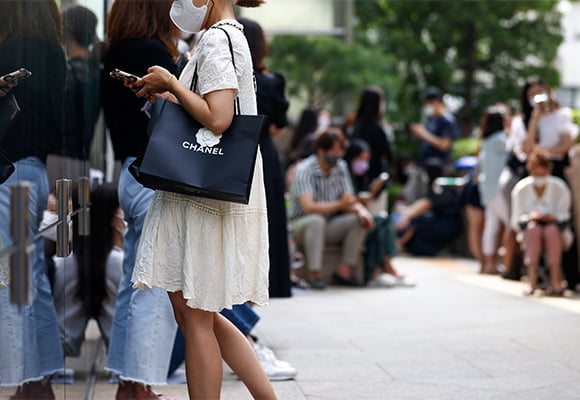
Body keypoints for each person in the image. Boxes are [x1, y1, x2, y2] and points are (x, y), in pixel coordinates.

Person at [127, 0, 276, 399]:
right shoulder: (234, 35)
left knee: (194, 320)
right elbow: (213, 111)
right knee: (202, 316)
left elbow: (219, 118)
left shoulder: (215, 39)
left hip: (201, 193)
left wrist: (173, 84)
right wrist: (167, 91)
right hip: (214, 187)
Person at [101, 1, 181, 399]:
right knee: (154, 286)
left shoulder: (113, 52)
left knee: (136, 284)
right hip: (155, 176)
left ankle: (128, 384)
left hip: (129, 174)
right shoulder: (154, 53)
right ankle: (141, 387)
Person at [0, 1, 67, 398]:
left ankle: (24, 379)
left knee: (14, 283)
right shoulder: (54, 52)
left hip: (9, 174)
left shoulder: (8, 49)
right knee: (32, 281)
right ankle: (37, 381)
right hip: (36, 172)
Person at [238, 17, 292, 298]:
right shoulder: (271, 82)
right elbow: (279, 123)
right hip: (264, 152)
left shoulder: (228, 77)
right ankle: (267, 288)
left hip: (231, 153)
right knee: (266, 223)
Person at [288, 129, 374, 289]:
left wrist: (362, 211)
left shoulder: (340, 167)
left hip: (329, 223)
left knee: (358, 220)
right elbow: (309, 207)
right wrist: (340, 205)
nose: (338, 154)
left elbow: (348, 199)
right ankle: (315, 274)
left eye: (340, 150)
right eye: (334, 150)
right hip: (301, 225)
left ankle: (344, 270)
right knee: (316, 220)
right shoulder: (304, 170)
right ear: (321, 150)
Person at [52, 183, 123, 357]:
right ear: (114, 219)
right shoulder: (118, 262)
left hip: (58, 348)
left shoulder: (64, 261)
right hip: (124, 352)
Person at [343, 140, 415, 287]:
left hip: (359, 216)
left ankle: (383, 269)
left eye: (366, 160)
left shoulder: (359, 178)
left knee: (383, 222)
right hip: (346, 218)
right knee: (380, 224)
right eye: (361, 159)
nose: (364, 163)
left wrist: (371, 193)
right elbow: (345, 203)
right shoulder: (343, 176)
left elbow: (363, 206)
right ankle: (380, 270)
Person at [46, 4, 101, 186]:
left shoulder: (68, 73)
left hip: (58, 159)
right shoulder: (97, 70)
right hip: (82, 157)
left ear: (65, 32)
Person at [511, 151, 572, 296]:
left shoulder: (559, 187)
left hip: (556, 230)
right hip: (530, 230)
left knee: (551, 230)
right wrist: (530, 218)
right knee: (534, 230)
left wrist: (553, 217)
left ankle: (556, 281)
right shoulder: (521, 188)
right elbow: (515, 219)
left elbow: (565, 215)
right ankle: (531, 280)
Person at [393, 158, 463, 256]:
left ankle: (396, 245)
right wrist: (405, 210)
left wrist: (407, 215)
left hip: (447, 224)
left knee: (414, 224)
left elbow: (426, 203)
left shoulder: (441, 186)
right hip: (441, 222)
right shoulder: (437, 185)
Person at [477, 105, 509, 274]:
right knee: (511, 223)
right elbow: (514, 151)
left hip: (486, 189)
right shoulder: (499, 139)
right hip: (498, 189)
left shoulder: (485, 140)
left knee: (491, 226)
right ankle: (506, 262)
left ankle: (489, 263)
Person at [352, 86, 393, 185]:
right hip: (375, 180)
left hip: (359, 180)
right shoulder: (377, 129)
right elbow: (389, 155)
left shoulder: (356, 127)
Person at [409, 87, 457, 168]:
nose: (426, 106)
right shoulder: (433, 118)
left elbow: (444, 145)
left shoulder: (447, 120)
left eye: (428, 103)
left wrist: (423, 133)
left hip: (437, 166)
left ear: (436, 101)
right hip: (425, 164)